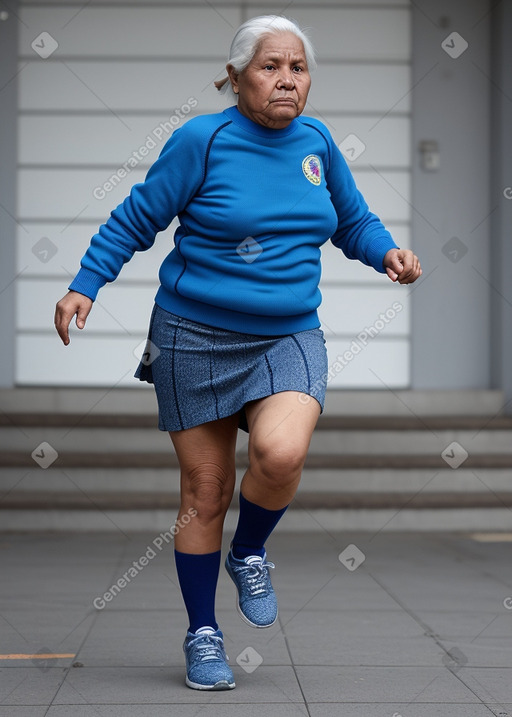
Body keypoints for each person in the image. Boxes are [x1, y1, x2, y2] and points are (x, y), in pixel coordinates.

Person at [54, 15, 422, 691]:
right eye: (269, 66)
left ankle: (249, 550)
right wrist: (86, 283)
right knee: (205, 492)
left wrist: (387, 253)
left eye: (298, 67)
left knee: (281, 454)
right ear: (234, 78)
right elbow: (138, 216)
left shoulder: (317, 142)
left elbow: (352, 221)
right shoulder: (204, 138)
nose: (287, 79)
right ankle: (203, 633)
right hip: (192, 334)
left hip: (287, 332)